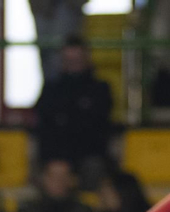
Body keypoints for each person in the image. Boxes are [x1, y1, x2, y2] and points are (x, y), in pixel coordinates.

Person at [33, 35, 114, 187]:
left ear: (86, 58)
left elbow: (97, 124)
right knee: (50, 172)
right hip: (56, 154)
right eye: (69, 60)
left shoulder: (100, 89)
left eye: (77, 60)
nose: (73, 65)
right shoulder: (51, 89)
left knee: (94, 168)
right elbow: (44, 121)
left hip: (89, 153)